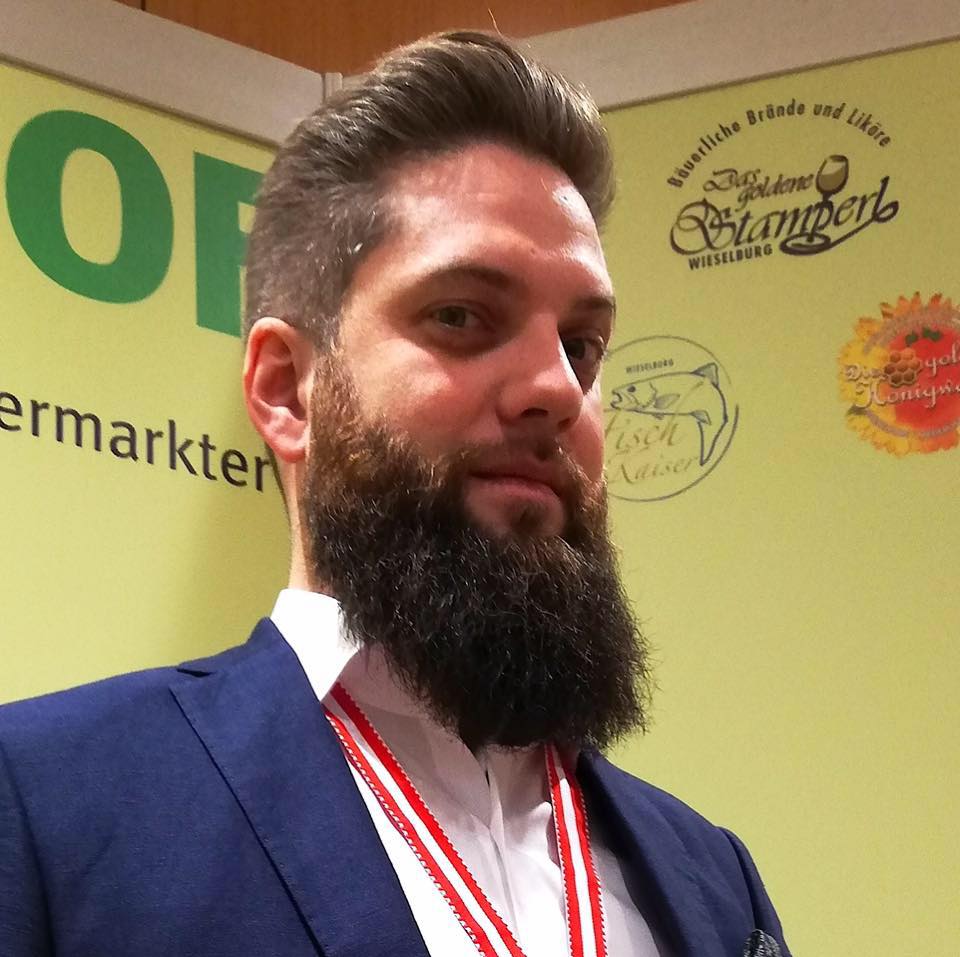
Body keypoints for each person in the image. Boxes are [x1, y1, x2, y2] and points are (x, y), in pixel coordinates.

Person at [0, 32, 790, 957]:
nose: (557, 387)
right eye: (461, 316)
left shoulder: (715, 881)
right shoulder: (48, 806)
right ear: (287, 390)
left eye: (582, 346)